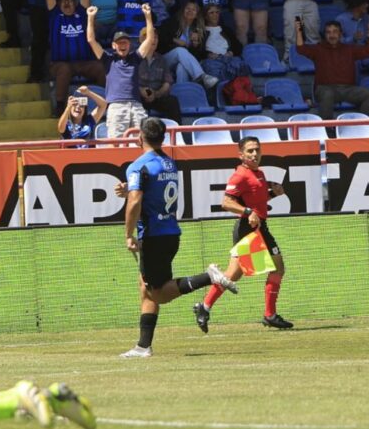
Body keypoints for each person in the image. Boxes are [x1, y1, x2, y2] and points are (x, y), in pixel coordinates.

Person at [117, 117, 235, 358]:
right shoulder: (170, 164)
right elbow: (149, 194)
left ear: (140, 137)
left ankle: (208, 276)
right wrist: (129, 191)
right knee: (145, 287)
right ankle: (143, 345)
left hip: (154, 235)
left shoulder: (138, 166)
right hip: (170, 232)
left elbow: (136, 200)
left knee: (157, 294)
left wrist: (128, 234)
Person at [193, 136, 292, 333]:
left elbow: (257, 200)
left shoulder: (259, 174)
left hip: (260, 227)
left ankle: (205, 307)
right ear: (241, 155)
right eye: (250, 151)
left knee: (269, 269)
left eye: (257, 150)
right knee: (237, 274)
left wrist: (273, 194)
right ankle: (205, 307)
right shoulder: (239, 175)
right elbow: (226, 203)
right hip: (248, 229)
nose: (255, 154)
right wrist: (248, 213)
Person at [43, 0, 105, 116]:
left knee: (102, 67)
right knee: (64, 69)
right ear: (58, 4)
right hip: (60, 63)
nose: (66, 2)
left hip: (84, 63)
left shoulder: (82, 13)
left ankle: (107, 101)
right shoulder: (55, 15)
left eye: (69, 0)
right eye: (63, 0)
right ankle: (59, 106)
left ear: (74, 3)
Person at [86, 3, 155, 139]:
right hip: (116, 106)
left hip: (136, 105)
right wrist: (90, 17)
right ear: (113, 45)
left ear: (130, 45)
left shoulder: (135, 58)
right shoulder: (108, 59)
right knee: (115, 143)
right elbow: (91, 40)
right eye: (119, 43)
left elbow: (150, 39)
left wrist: (148, 16)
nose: (123, 45)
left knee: (143, 141)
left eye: (125, 43)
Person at [295, 19, 369, 123]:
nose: (332, 35)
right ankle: (327, 130)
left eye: (335, 31)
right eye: (328, 32)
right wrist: (299, 30)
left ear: (340, 34)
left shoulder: (349, 49)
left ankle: (362, 126)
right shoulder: (318, 49)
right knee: (327, 94)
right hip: (324, 89)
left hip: (348, 89)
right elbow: (301, 49)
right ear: (325, 35)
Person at [156, 1, 219, 88]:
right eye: (188, 8)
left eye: (194, 10)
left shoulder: (199, 30)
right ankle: (201, 76)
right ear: (183, 10)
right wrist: (174, 40)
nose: (190, 11)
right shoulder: (172, 22)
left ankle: (182, 95)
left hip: (182, 61)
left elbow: (197, 56)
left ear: (197, 14)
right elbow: (160, 37)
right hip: (165, 60)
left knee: (182, 67)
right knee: (180, 51)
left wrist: (195, 44)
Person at [137, 27, 182, 124]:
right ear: (141, 41)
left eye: (156, 37)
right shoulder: (134, 58)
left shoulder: (161, 60)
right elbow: (128, 82)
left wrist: (156, 94)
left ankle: (178, 134)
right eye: (150, 37)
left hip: (156, 95)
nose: (153, 40)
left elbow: (167, 82)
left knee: (172, 101)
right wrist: (141, 91)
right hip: (138, 97)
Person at [336, 0, 369, 76]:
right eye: (364, 3)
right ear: (356, 6)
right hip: (348, 53)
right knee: (355, 62)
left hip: (363, 51)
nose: (367, 5)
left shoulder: (366, 18)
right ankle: (357, 88)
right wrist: (353, 38)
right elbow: (337, 42)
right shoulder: (341, 20)